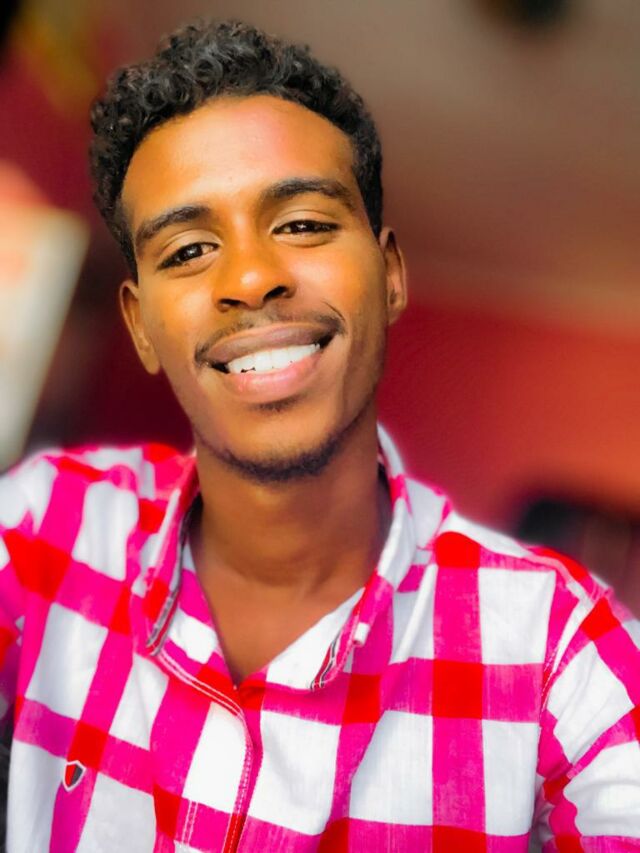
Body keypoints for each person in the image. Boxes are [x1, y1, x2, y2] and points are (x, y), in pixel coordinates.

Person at [0, 19, 639, 851]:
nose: (250, 277)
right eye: (189, 249)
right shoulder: (41, 527)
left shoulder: (561, 652)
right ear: (141, 327)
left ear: (391, 275)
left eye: (301, 224)